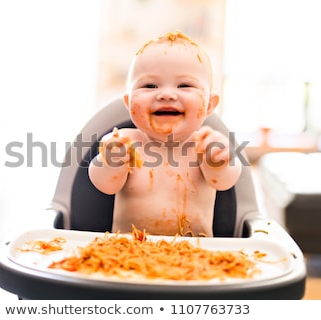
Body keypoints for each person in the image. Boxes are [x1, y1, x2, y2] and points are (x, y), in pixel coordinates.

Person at [88, 31, 242, 237]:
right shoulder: (124, 142)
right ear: (129, 102)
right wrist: (110, 161)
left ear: (209, 105)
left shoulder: (206, 146)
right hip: (127, 255)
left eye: (185, 85)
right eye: (149, 85)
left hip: (196, 257)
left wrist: (221, 160)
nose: (167, 94)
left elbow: (223, 181)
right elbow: (105, 185)